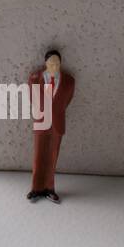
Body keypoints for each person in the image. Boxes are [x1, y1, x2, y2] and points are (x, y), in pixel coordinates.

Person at [27, 49, 75, 203]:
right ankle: (36, 188)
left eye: (57, 63)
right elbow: (32, 98)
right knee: (38, 155)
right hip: (41, 120)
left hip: (57, 122)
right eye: (51, 63)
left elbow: (66, 100)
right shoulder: (35, 78)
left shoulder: (68, 81)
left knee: (52, 155)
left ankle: (49, 188)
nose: (54, 65)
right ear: (45, 63)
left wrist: (56, 113)